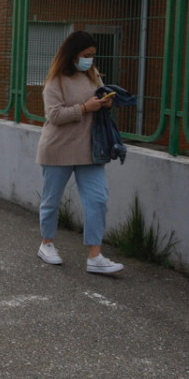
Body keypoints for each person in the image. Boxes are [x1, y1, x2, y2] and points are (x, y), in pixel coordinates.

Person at [36, 30, 124, 274]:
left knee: (98, 200)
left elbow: (99, 98)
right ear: (72, 54)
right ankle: (46, 244)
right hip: (58, 149)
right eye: (86, 55)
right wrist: (85, 108)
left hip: (91, 151)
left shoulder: (93, 75)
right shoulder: (56, 80)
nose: (90, 60)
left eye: (93, 56)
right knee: (52, 200)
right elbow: (54, 115)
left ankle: (95, 256)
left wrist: (106, 102)